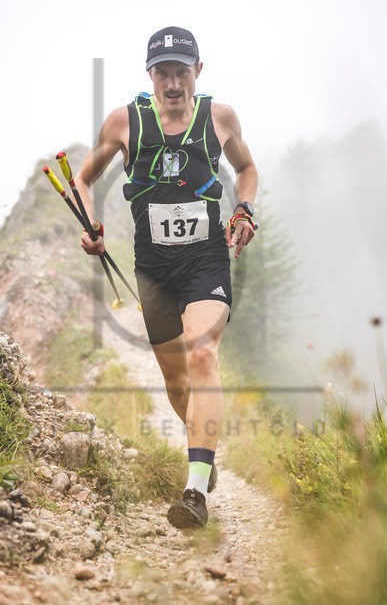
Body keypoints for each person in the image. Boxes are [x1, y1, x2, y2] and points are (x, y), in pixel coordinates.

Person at [75, 26, 258, 528]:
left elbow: (247, 170)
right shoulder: (124, 122)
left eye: (182, 71)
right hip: (152, 268)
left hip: (205, 258)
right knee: (177, 382)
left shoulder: (218, 118)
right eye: (163, 72)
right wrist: (91, 225)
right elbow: (82, 177)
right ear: (150, 75)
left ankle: (195, 489)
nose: (173, 83)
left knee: (202, 354)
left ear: (198, 71)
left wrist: (242, 209)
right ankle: (206, 450)